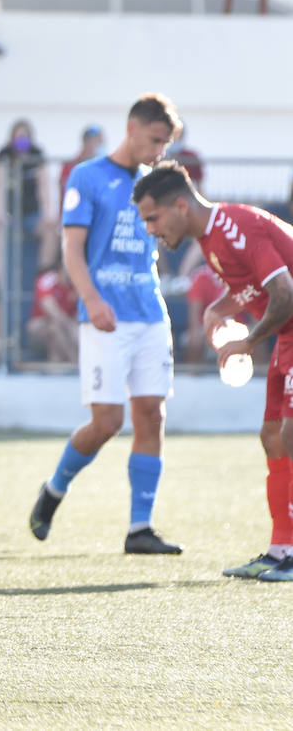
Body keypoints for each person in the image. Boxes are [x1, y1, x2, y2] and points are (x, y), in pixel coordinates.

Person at [29, 94, 183, 555]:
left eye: (165, 144)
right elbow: (71, 250)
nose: (159, 151)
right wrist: (92, 300)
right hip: (105, 318)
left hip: (151, 313)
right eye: (156, 140)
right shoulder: (88, 176)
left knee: (152, 415)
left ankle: (140, 528)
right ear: (133, 127)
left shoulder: (155, 183)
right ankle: (54, 489)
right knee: (107, 422)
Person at [134, 161, 293, 581]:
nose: (150, 229)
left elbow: (284, 293)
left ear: (180, 206)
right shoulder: (210, 238)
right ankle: (281, 550)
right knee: (273, 437)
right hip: (286, 338)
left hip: (288, 330)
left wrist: (248, 341)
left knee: (291, 435)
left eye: (153, 218)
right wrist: (217, 309)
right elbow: (252, 288)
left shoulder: (236, 227)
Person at [0, 117, 56, 349]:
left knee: (51, 228)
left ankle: (43, 269)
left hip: (31, 214)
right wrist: (0, 216)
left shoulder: (37, 154)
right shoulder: (4, 155)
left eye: (25, 136)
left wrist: (48, 215)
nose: (21, 140)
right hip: (10, 214)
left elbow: (44, 187)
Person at [27, 263, 79, 364]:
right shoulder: (48, 279)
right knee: (55, 327)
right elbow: (52, 310)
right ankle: (74, 361)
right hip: (41, 324)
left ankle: (57, 362)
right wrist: (70, 326)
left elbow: (79, 315)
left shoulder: (79, 282)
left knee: (78, 331)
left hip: (67, 325)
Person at [59, 124, 105, 201]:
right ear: (86, 143)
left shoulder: (105, 166)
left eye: (101, 142)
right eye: (97, 141)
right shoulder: (71, 165)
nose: (100, 145)